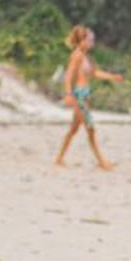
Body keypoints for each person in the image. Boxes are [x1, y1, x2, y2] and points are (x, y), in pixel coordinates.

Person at [54, 25, 124, 169]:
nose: (92, 42)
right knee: (90, 128)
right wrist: (68, 94)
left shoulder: (86, 57)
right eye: (89, 39)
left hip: (85, 95)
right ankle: (102, 162)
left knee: (74, 129)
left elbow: (94, 73)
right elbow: (68, 76)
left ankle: (59, 158)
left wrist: (113, 77)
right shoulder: (76, 55)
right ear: (81, 41)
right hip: (79, 96)